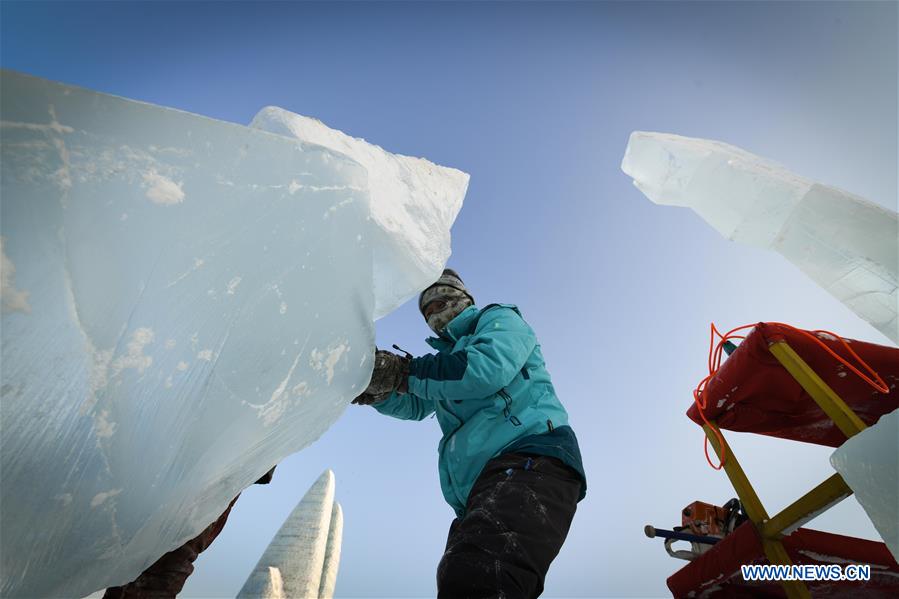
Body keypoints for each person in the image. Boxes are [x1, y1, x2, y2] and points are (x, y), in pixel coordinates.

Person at [353, 268, 586, 599]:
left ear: (463, 298)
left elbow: (484, 369)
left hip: (532, 458)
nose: (435, 315)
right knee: (463, 576)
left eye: (441, 302)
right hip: (486, 482)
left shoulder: (499, 320)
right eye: (427, 312)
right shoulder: (446, 363)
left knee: (478, 576)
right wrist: (378, 390)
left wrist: (404, 372)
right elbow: (416, 404)